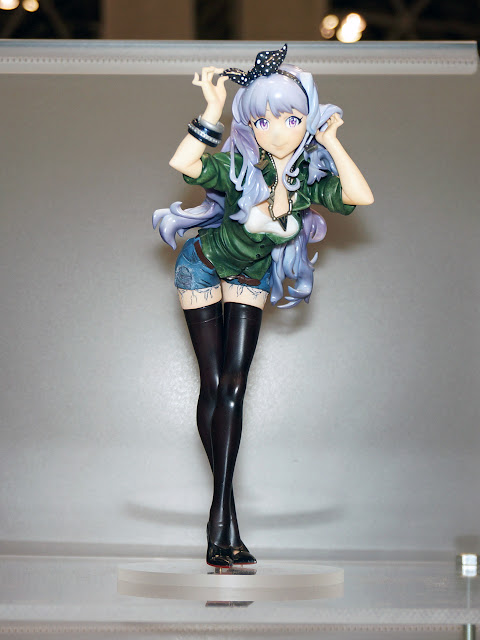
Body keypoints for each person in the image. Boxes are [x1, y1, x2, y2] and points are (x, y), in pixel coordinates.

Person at [153, 45, 373, 568]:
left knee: (234, 386)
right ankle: (223, 521)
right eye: (264, 119)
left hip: (250, 275)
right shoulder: (237, 167)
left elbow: (359, 197)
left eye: (292, 118)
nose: (277, 130)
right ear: (251, 124)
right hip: (201, 266)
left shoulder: (305, 182)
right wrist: (212, 110)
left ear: (306, 120)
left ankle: (220, 518)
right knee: (214, 384)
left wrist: (331, 141)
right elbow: (184, 163)